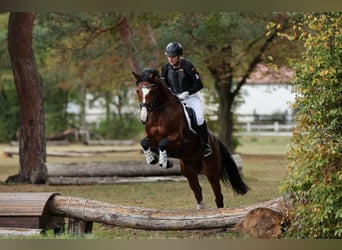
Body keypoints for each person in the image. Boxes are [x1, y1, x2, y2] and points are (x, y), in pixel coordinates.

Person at [160, 42, 212, 157]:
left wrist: (187, 93)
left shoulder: (188, 66)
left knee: (198, 118)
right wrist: (169, 91)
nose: (170, 59)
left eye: (173, 56)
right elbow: (164, 85)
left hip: (191, 98)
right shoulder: (165, 68)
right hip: (175, 99)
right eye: (169, 56)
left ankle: (205, 145)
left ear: (179, 56)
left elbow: (199, 84)